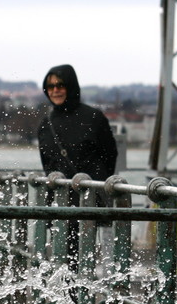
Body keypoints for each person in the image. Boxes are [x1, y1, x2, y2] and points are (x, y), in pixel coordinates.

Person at [37, 64, 118, 205]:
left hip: (91, 200)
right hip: (58, 201)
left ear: (71, 86)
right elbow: (47, 164)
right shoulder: (45, 124)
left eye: (60, 85)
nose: (55, 90)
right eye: (50, 87)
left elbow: (110, 154)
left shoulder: (94, 118)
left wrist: (97, 182)